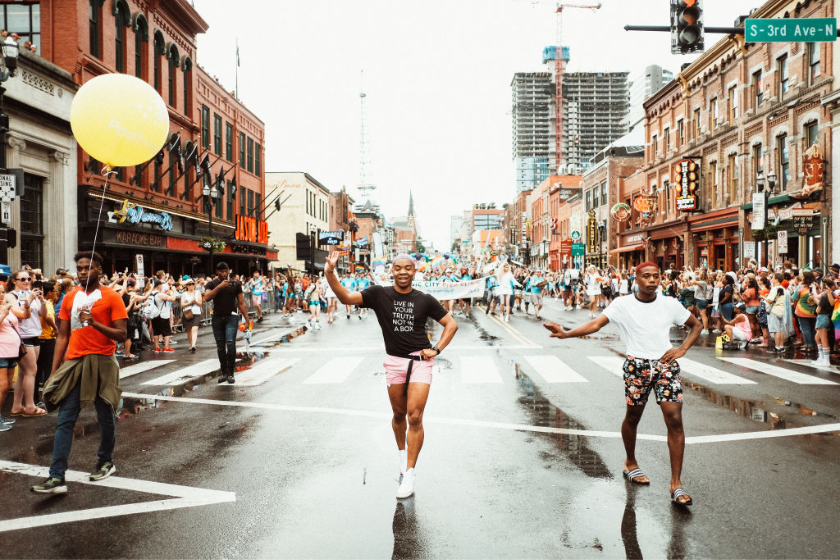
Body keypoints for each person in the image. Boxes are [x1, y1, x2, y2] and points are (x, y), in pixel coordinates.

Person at [543, 262, 702, 506]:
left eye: (656, 276)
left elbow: (696, 325)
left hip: (665, 365)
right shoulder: (622, 304)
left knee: (675, 419)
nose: (652, 280)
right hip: (636, 366)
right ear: (635, 279)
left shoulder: (670, 304)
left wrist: (682, 349)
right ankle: (631, 462)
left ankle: (676, 484)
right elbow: (595, 325)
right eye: (646, 276)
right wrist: (565, 332)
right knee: (633, 417)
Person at [325, 252, 458, 499]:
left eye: (408, 268)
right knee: (398, 414)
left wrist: (437, 349)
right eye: (398, 268)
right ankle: (401, 457)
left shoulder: (425, 299)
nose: (403, 272)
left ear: (415, 271)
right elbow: (345, 296)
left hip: (420, 362)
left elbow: (451, 324)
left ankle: (409, 473)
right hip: (395, 363)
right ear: (392, 271)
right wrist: (330, 272)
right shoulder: (379, 294)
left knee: (414, 416)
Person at [31, 252, 128, 494]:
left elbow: (122, 335)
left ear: (100, 270)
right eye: (80, 268)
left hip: (103, 361)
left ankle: (105, 462)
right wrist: (53, 372)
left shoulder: (112, 296)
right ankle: (56, 477)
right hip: (74, 362)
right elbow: (62, 335)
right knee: (65, 419)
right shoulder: (70, 297)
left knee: (105, 414)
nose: (83, 272)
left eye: (88, 268)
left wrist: (94, 323)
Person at [6, 270, 47, 417]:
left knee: (25, 373)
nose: (26, 281)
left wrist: (41, 300)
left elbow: (43, 314)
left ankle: (17, 406)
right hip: (22, 337)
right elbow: (21, 315)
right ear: (14, 281)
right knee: (31, 372)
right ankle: (30, 406)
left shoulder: (30, 293)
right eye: (22, 279)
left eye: (29, 278)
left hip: (35, 335)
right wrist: (29, 300)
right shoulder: (10, 296)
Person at [203, 262, 249, 384]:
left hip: (231, 317)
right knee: (220, 347)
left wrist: (247, 319)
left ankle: (231, 373)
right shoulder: (212, 284)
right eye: (221, 271)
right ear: (217, 272)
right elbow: (207, 298)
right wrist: (219, 287)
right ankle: (224, 373)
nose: (224, 274)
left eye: (226, 271)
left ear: (229, 271)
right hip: (217, 318)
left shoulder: (236, 284)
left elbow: (241, 303)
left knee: (230, 342)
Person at [0, 301, 20, 431]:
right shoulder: (4, 310)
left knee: (7, 386)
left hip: (12, 351)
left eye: (2, 292)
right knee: (2, 386)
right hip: (1, 351)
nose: (1, 295)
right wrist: (4, 314)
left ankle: (0, 415)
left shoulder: (4, 306)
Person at [813, 277, 836, 366]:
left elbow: (818, 310)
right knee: (817, 338)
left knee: (823, 339)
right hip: (827, 317)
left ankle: (825, 360)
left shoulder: (824, 296)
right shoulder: (831, 295)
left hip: (822, 317)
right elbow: (832, 304)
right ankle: (821, 357)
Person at [764, 273, 788, 353]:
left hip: (774, 310)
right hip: (781, 310)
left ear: (777, 279)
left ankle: (777, 347)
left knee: (776, 330)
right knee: (781, 330)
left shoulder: (774, 289)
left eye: (773, 278)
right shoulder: (783, 288)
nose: (772, 280)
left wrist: (764, 297)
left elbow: (770, 300)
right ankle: (781, 346)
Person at [180, 279, 202, 352]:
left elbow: (200, 303)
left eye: (192, 284)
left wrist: (195, 301)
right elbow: (182, 305)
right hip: (188, 313)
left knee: (194, 329)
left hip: (196, 312)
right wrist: (189, 302)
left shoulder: (197, 292)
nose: (191, 286)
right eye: (189, 284)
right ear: (187, 286)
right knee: (189, 330)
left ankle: (193, 345)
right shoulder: (184, 294)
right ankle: (191, 344)